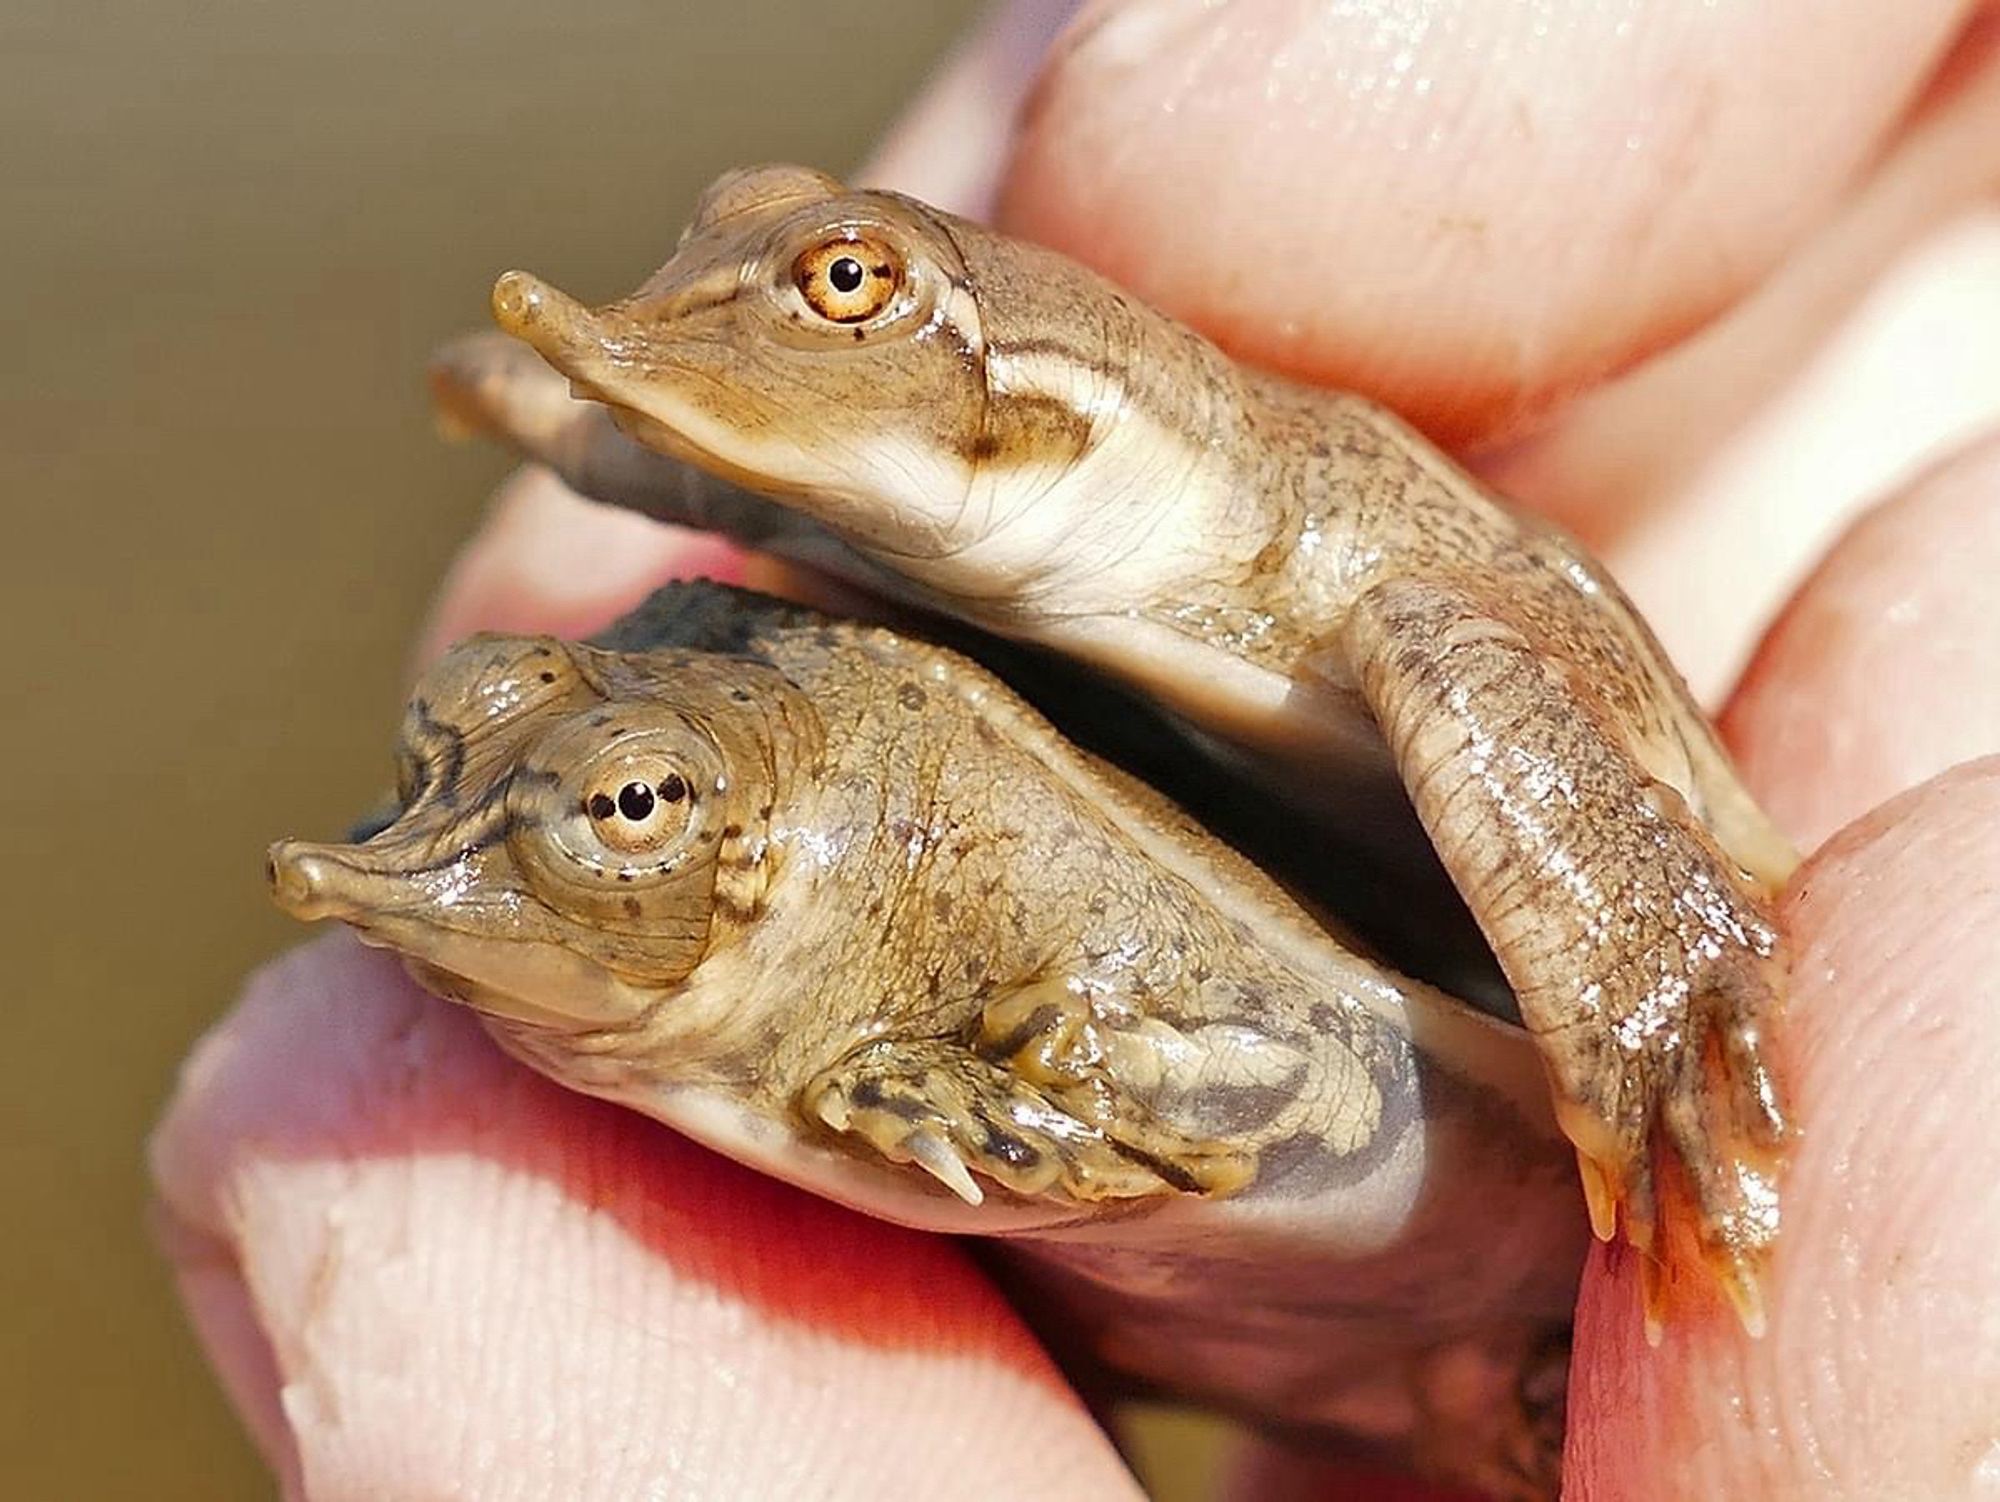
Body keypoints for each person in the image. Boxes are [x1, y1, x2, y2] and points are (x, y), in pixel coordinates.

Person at [150, 2, 2000, 1495]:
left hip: (1523, 1013)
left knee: (1446, 662)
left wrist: (1652, 990)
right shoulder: (915, 596)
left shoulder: (1297, 531)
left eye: (846, 293)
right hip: (1344, 1313)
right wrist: (613, 417)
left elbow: (1475, 665)